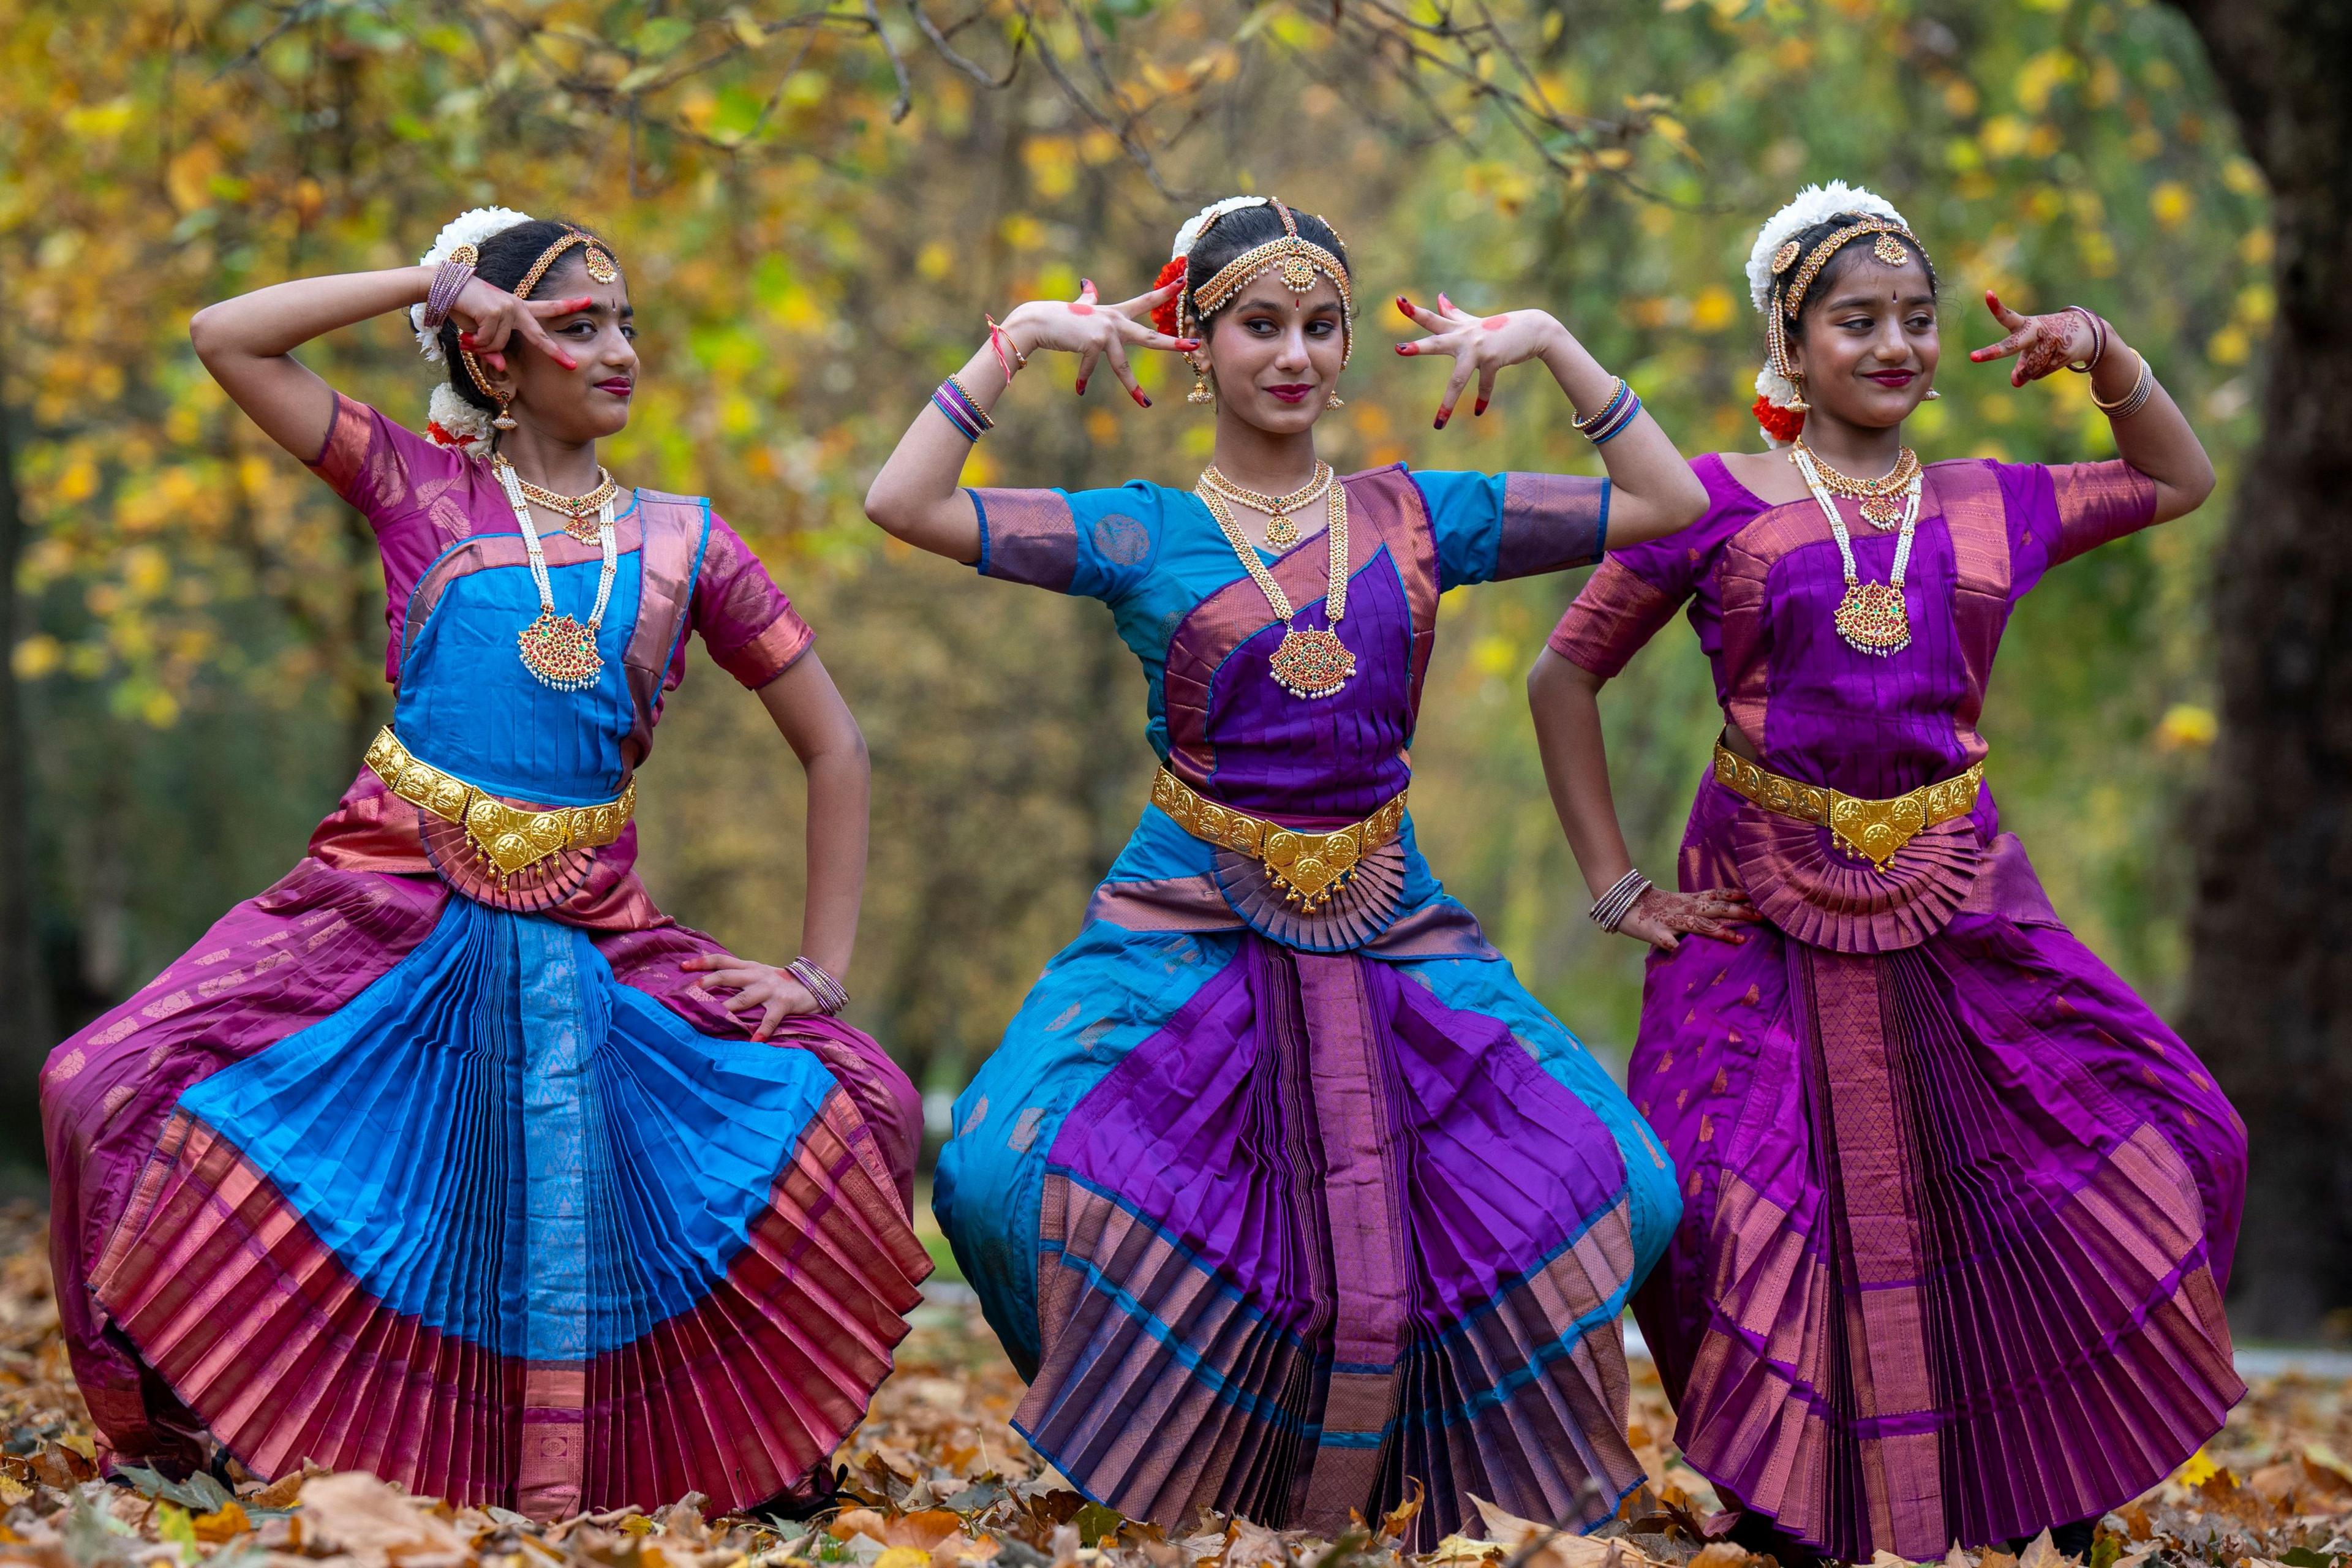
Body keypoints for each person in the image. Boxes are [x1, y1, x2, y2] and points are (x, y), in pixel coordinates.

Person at [39, 209, 929, 1520]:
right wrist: (429, 280)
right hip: (374, 906)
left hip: (594, 930)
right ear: (495, 357)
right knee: (96, 1082)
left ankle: (700, 1463)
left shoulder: (690, 542)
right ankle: (207, 1443)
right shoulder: (412, 484)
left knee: (866, 1101)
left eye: (624, 323)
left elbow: (837, 746)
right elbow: (225, 336)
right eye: (579, 328)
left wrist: (818, 970)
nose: (620, 350)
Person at [867, 195, 1711, 1545]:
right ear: (1198, 345)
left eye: (1321, 326)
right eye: (1262, 325)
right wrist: (1017, 342)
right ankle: (1169, 1444)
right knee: (988, 1174)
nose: (1298, 355)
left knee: (1631, 1182)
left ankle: (1433, 1472)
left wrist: (1553, 345)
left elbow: (1671, 501)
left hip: (1396, 920)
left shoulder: (1422, 518)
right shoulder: (1138, 531)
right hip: (1180, 918)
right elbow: (899, 501)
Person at [1526, 181, 2245, 1563]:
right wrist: (1617, 889)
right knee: (1714, 1199)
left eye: (1916, 318)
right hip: (1749, 903)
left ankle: (2036, 1478)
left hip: (1967, 902)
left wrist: (2102, 354)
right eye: (1858, 320)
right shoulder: (1711, 504)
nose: (1897, 345)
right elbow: (1565, 677)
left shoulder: (1992, 505)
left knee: (2165, 1135)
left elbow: (2176, 478)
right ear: (1789, 346)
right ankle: (1795, 1499)